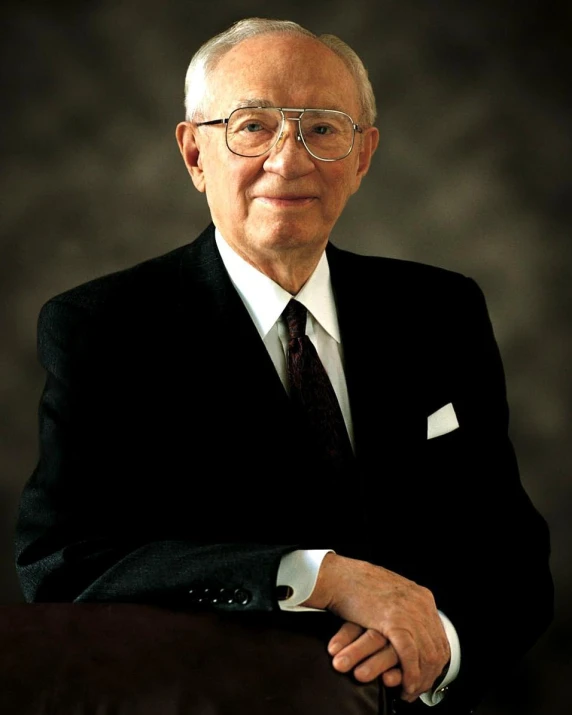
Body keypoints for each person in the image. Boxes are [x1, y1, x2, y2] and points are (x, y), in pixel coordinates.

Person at [15, 17, 553, 714]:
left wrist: (438, 643)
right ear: (194, 153)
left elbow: (511, 556)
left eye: (323, 129)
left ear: (362, 157)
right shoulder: (103, 329)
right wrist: (314, 576)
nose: (288, 159)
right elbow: (65, 566)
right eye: (253, 124)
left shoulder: (440, 310)